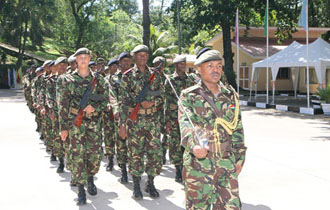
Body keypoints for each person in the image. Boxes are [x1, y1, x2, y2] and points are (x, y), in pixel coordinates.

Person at [178, 49, 247, 209]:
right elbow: (185, 124)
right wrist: (192, 146)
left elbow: (237, 128)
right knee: (198, 206)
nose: (215, 70)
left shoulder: (231, 96)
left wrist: (240, 158)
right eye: (210, 66)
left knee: (232, 206)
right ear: (199, 70)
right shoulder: (189, 96)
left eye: (219, 66)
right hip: (199, 163)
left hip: (226, 161)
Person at [59, 48, 109, 205]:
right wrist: (63, 127)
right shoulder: (66, 79)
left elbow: (106, 100)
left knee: (94, 155)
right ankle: (80, 189)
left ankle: (90, 178)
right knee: (77, 155)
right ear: (75, 60)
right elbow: (62, 104)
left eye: (86, 57)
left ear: (89, 59)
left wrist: (94, 108)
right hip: (75, 123)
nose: (83, 60)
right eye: (80, 57)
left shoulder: (99, 80)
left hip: (93, 123)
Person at [118, 45, 164, 200]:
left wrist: (153, 103)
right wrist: (122, 125)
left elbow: (162, 96)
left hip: (152, 120)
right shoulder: (127, 76)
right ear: (134, 57)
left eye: (145, 55)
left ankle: (150, 183)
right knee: (135, 153)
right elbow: (123, 102)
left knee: (154, 154)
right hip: (135, 120)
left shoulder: (156, 75)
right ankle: (136, 184)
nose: (143, 57)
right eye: (140, 55)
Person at [164, 55, 196, 183]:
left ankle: (187, 167)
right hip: (174, 116)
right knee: (175, 142)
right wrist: (166, 120)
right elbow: (166, 100)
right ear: (175, 65)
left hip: (189, 116)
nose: (183, 66)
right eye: (180, 64)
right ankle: (178, 168)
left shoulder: (191, 80)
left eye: (184, 63)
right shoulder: (170, 80)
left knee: (188, 140)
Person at [109, 52, 132, 183]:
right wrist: (116, 109)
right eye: (123, 61)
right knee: (121, 143)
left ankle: (134, 170)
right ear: (119, 63)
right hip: (120, 116)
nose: (126, 63)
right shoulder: (114, 78)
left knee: (134, 144)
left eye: (128, 61)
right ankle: (123, 170)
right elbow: (112, 95)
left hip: (134, 115)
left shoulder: (135, 76)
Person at [103, 58, 119, 171]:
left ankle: (122, 160)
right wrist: (106, 104)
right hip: (107, 113)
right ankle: (110, 160)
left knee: (120, 136)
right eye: (113, 66)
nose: (115, 68)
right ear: (109, 67)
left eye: (116, 66)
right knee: (108, 136)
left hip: (118, 112)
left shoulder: (120, 79)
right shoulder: (103, 81)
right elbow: (101, 95)